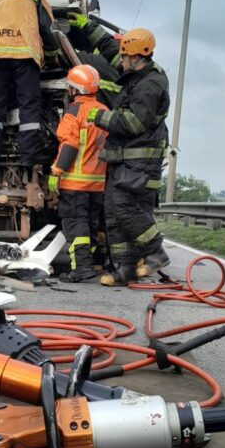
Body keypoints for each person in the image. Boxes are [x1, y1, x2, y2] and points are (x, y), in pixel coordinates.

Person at [86, 28, 171, 286]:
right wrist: (87, 28)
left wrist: (100, 117)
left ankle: (156, 252)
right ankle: (125, 269)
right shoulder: (138, 73)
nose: (120, 61)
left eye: (124, 57)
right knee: (113, 211)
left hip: (139, 160)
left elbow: (134, 123)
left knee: (124, 207)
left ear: (136, 57)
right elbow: (112, 51)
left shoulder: (149, 86)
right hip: (124, 158)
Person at [0, 0, 59, 167]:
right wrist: (52, 55)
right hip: (25, 55)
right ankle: (27, 158)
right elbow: (47, 26)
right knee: (29, 106)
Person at [48, 64, 107, 283]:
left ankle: (81, 268)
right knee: (89, 224)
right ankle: (87, 263)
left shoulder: (74, 112)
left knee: (76, 224)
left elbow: (70, 145)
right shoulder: (104, 111)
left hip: (75, 183)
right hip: (97, 183)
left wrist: (56, 171)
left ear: (75, 89)